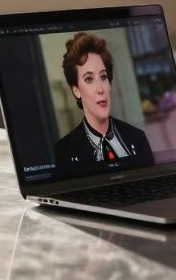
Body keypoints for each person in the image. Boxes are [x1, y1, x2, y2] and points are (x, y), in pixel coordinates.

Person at [53, 32, 154, 175]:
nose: (100, 89)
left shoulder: (137, 137)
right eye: (89, 79)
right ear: (76, 91)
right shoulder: (65, 150)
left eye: (103, 77)